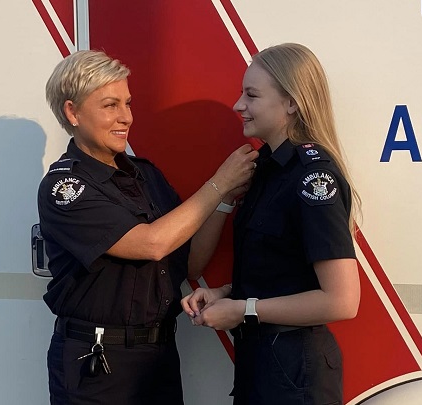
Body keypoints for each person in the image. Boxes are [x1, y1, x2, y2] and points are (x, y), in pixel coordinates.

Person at [37, 50, 258, 405]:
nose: (126, 117)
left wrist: (225, 199)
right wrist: (218, 182)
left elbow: (188, 263)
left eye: (127, 103)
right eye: (110, 105)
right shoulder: (66, 188)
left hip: (158, 357)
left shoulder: (146, 176)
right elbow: (151, 244)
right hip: (99, 366)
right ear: (72, 112)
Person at [181, 43, 361, 405]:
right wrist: (225, 294)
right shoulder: (265, 169)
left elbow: (342, 301)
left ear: (292, 102)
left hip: (295, 373)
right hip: (263, 366)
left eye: (251, 94)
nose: (238, 105)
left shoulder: (313, 177)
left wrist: (243, 309)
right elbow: (282, 271)